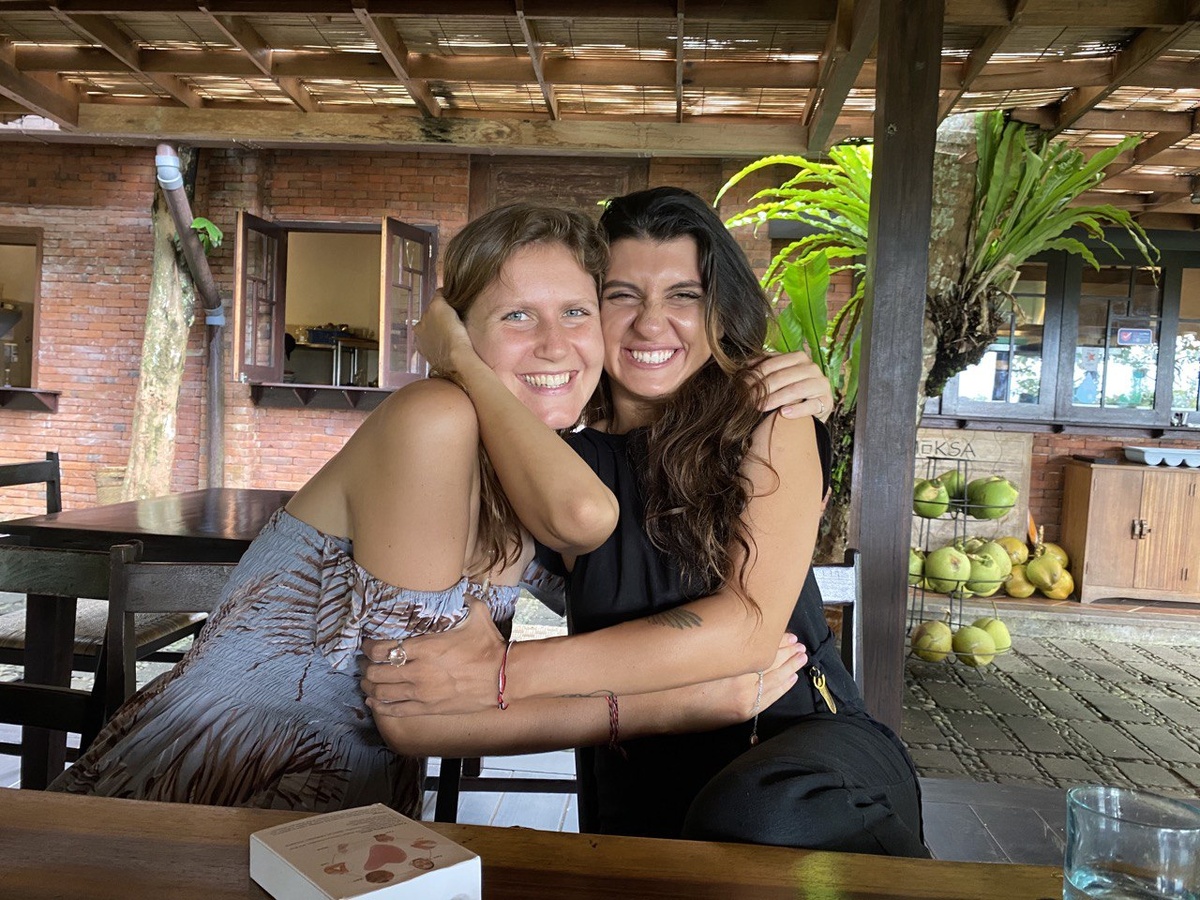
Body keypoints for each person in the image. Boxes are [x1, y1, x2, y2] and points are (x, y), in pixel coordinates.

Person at [362, 187, 929, 857]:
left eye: (684, 295)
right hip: (633, 757)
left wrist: (505, 674)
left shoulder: (768, 414)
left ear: (719, 309)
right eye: (621, 296)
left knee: (761, 814)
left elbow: (747, 632)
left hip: (801, 755)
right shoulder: (553, 460)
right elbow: (444, 667)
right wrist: (462, 359)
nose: (652, 325)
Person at [47, 203, 621, 813]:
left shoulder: (524, 467)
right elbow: (415, 710)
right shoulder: (434, 417)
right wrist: (659, 707)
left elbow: (611, 585)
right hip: (210, 791)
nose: (554, 344)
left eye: (576, 312)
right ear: (459, 333)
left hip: (349, 802)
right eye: (517, 315)